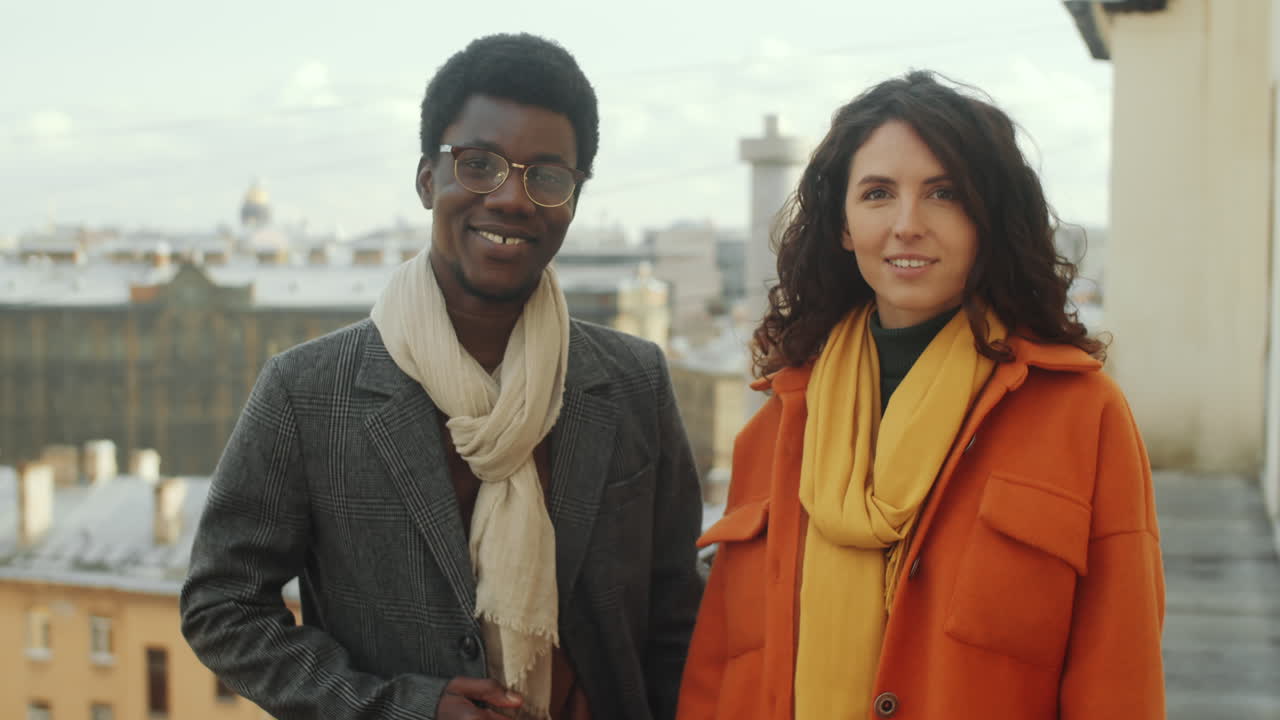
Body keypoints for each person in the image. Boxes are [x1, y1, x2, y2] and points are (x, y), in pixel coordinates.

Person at [181, 33, 703, 720]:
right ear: (428, 178)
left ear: (574, 200)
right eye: (480, 165)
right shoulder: (307, 392)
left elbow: (677, 614)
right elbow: (222, 605)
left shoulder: (633, 382)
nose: (512, 199)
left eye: (548, 177)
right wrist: (401, 708)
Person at [675, 71, 1165, 720]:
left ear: (988, 218)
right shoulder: (781, 419)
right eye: (878, 194)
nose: (907, 225)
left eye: (944, 193)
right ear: (843, 224)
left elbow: (1120, 674)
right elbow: (720, 670)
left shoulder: (1082, 414)